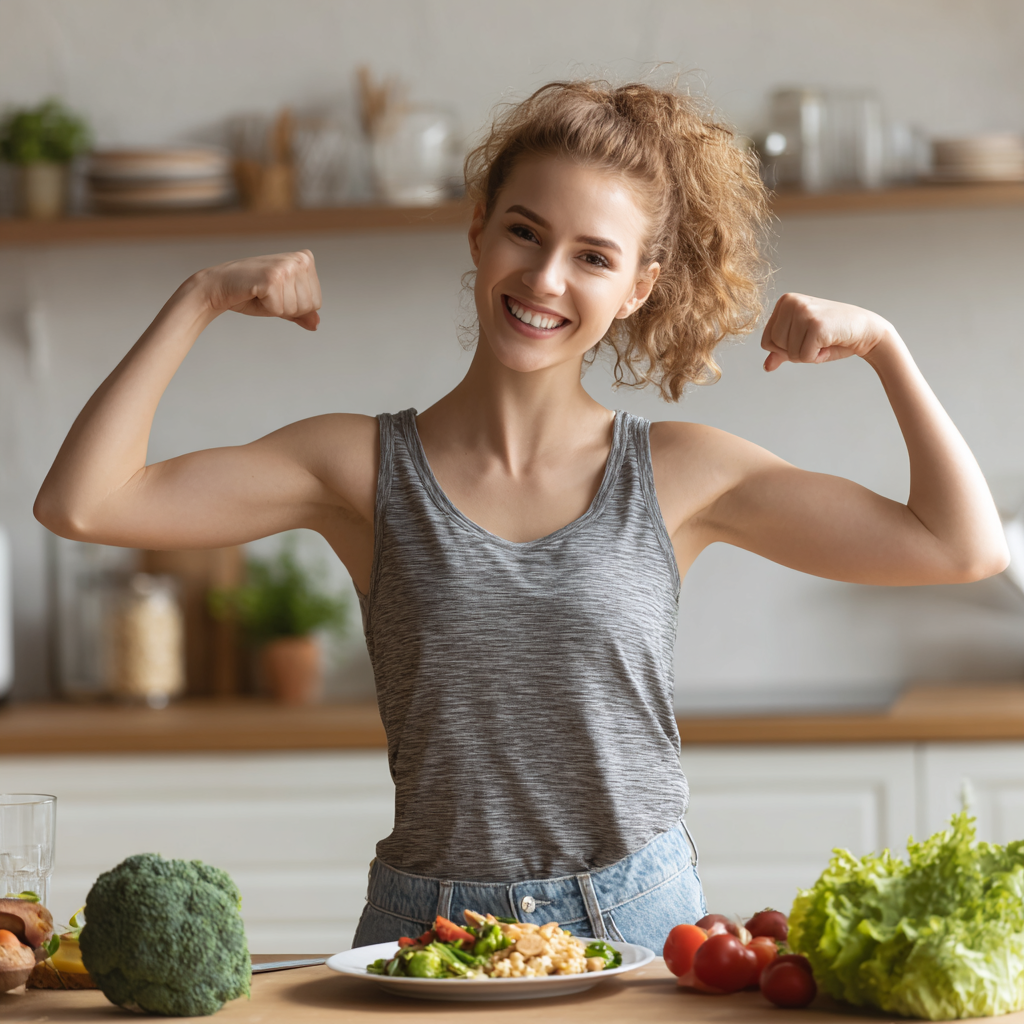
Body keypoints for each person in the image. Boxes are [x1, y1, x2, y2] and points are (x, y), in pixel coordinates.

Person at [34, 81, 1008, 953]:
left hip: (637, 919)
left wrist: (884, 347)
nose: (545, 280)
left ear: (638, 288)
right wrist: (198, 296)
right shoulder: (357, 467)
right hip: (425, 925)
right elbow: (83, 500)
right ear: (477, 230)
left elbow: (956, 546)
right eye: (524, 232)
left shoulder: (679, 472)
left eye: (593, 256)